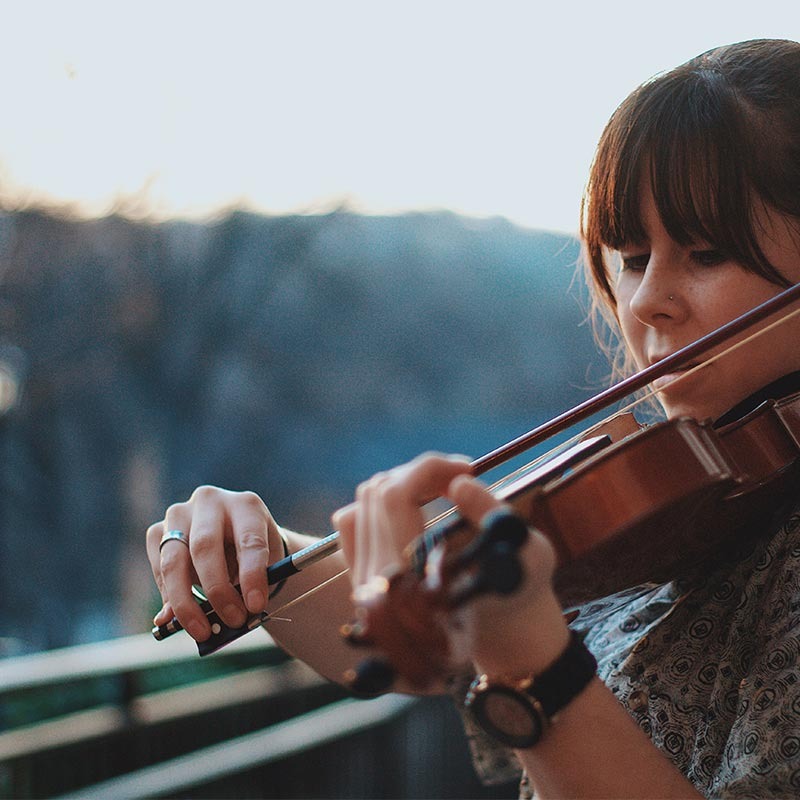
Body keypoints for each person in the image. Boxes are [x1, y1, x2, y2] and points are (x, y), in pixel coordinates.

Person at [146, 39, 800, 798]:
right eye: (629, 256)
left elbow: (518, 661)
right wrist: (267, 558)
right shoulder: (704, 499)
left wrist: (535, 667)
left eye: (707, 252)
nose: (648, 300)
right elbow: (428, 650)